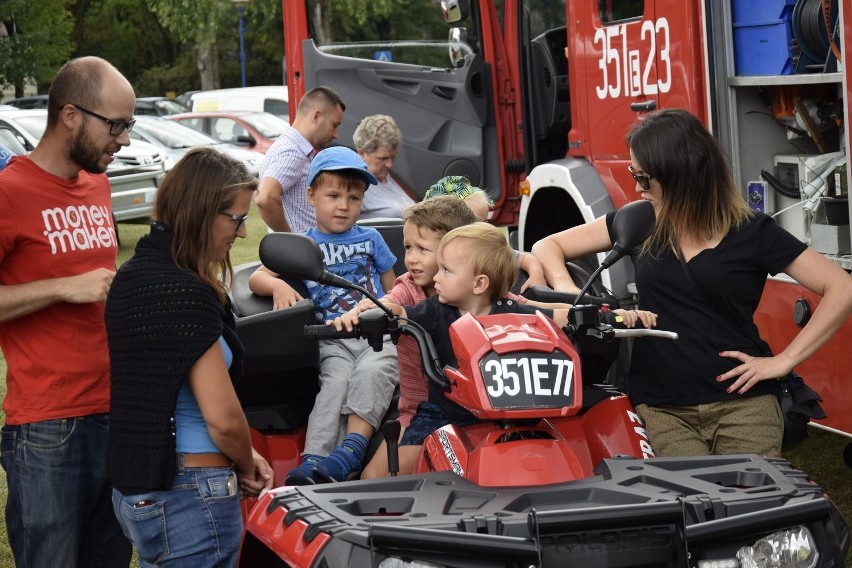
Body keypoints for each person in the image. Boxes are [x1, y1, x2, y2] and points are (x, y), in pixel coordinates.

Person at [532, 108, 852, 457]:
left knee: (754, 507)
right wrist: (570, 293)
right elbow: (549, 245)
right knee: (688, 507)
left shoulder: (753, 232)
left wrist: (785, 360)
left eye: (644, 177)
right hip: (662, 408)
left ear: (680, 175)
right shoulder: (641, 222)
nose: (636, 187)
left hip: (744, 404)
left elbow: (842, 286)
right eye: (633, 173)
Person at [105, 147, 273, 566]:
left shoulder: (131, 276)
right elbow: (222, 418)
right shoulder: (187, 293)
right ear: (202, 212)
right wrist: (246, 459)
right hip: (190, 492)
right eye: (236, 218)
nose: (240, 232)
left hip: (139, 490)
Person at [0, 56, 134, 568]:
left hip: (115, 409)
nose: (123, 139)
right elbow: (75, 284)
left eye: (130, 125)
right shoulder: (10, 192)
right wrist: (61, 287)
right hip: (48, 428)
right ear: (72, 116)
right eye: (116, 124)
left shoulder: (97, 184)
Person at [249, 146, 399, 484]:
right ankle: (314, 459)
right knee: (334, 386)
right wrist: (278, 288)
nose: (344, 206)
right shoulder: (303, 243)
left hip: (377, 335)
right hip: (333, 340)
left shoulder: (371, 238)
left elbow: (394, 290)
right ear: (311, 195)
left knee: (373, 373)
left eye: (354, 198)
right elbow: (258, 277)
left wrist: (388, 311)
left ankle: (351, 451)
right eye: (333, 196)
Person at [425, 175, 548, 292]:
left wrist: (536, 276)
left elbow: (524, 258)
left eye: (484, 221)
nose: (483, 227)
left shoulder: (484, 248)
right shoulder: (430, 256)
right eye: (473, 223)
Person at [255, 86, 346, 233]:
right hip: (299, 254)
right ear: (316, 116)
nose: (336, 135)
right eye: (334, 125)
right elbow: (265, 197)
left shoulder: (293, 148)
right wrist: (292, 242)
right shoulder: (292, 152)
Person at [353, 114, 415, 219]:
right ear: (362, 153)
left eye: (393, 157)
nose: (390, 164)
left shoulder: (385, 176)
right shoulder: (354, 184)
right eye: (382, 158)